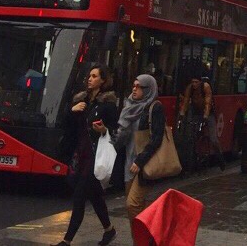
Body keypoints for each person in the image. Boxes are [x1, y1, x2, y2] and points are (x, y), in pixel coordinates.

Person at [53, 64, 118, 246]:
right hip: (79, 154)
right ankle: (109, 230)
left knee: (80, 196)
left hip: (94, 155)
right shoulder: (81, 101)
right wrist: (71, 111)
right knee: (95, 195)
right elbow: (67, 126)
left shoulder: (108, 105)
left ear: (103, 80)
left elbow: (117, 131)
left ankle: (67, 241)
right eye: (89, 76)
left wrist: (105, 130)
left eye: (95, 76)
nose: (90, 79)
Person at [116, 74, 166, 220]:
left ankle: (146, 237)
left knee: (132, 204)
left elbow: (157, 138)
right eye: (134, 86)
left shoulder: (154, 108)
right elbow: (121, 136)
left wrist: (140, 161)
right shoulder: (129, 107)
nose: (135, 89)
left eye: (139, 87)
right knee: (137, 207)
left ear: (149, 89)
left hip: (144, 164)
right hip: (129, 163)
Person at [178, 74, 225, 171]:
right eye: (193, 82)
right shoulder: (190, 88)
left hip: (208, 113)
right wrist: (182, 114)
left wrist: (206, 116)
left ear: (200, 82)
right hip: (196, 112)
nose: (194, 84)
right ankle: (192, 159)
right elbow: (186, 101)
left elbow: (208, 102)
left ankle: (220, 158)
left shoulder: (205, 87)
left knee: (213, 138)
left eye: (196, 82)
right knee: (191, 135)